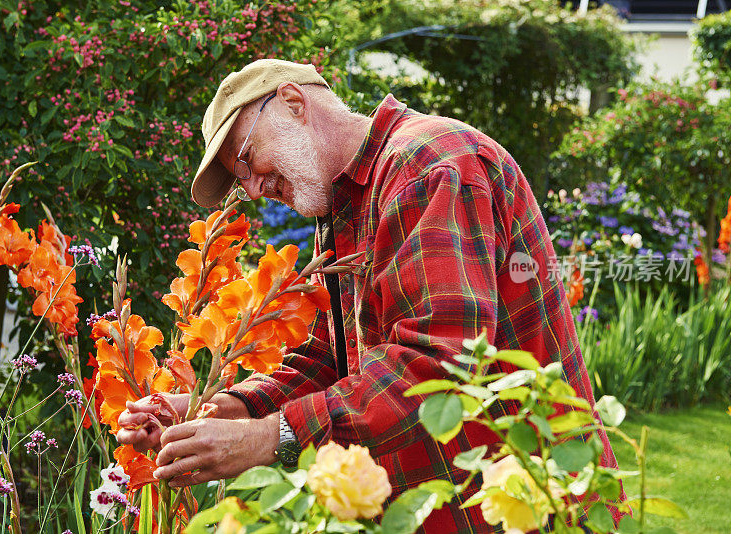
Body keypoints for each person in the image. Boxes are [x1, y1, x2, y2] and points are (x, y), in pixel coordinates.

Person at [117, 59, 620, 532]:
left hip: (531, 500)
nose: (250, 189)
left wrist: (268, 439)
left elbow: (439, 367)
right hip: (450, 504)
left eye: (246, 159)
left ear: (293, 101)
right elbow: (331, 360)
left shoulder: (428, 164)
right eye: (239, 179)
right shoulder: (343, 205)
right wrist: (223, 409)